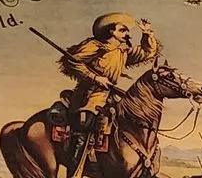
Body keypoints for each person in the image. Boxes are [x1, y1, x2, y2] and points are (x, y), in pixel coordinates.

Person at [58, 12, 158, 155]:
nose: (127, 34)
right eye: (122, 30)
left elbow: (147, 52)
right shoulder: (95, 46)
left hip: (109, 95)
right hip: (89, 93)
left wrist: (147, 34)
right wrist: (95, 78)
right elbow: (72, 61)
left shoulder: (123, 51)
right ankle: (74, 163)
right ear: (111, 31)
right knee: (85, 122)